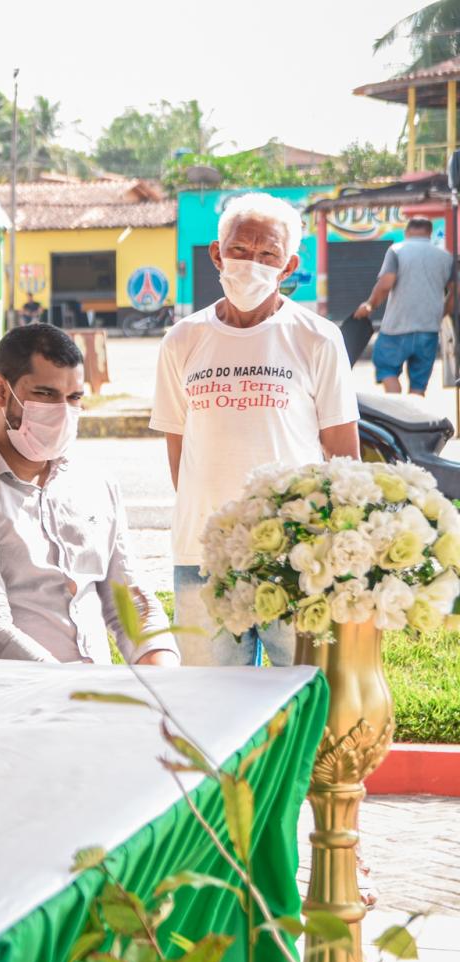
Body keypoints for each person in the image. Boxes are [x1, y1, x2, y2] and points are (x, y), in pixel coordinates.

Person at [152, 192, 359, 667]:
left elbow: (342, 454)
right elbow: (178, 450)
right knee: (210, 703)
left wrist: (337, 549)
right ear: (216, 253)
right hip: (204, 554)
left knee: (302, 695)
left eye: (268, 255)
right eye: (240, 251)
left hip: (295, 556)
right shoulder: (182, 340)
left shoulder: (317, 338)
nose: (252, 264)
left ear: (289, 266)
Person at [0, 324, 178, 666]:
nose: (63, 411)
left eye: (75, 398)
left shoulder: (96, 484)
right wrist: (78, 692)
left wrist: (163, 672)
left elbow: (131, 600)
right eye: (46, 395)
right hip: (13, 700)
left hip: (93, 696)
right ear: (0, 392)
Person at [354, 217, 453, 397]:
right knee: (419, 384)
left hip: (396, 328)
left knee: (386, 369)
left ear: (407, 231)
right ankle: (413, 418)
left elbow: (386, 284)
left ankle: (396, 407)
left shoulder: (397, 250)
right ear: (429, 233)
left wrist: (369, 305)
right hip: (428, 329)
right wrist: (442, 312)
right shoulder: (445, 257)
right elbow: (456, 293)